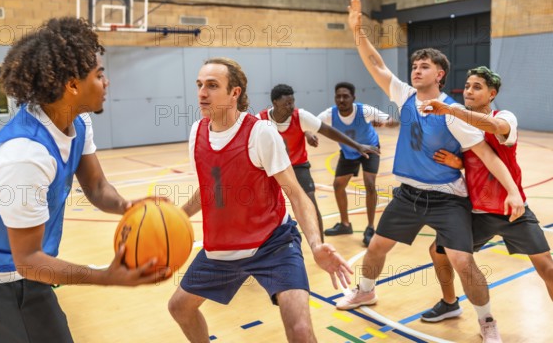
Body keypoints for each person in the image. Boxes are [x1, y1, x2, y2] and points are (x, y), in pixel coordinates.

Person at [0, 17, 169, 343]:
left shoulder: (77, 122)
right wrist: (105, 277)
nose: (106, 82)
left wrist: (128, 206)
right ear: (72, 85)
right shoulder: (24, 156)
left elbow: (96, 188)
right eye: (99, 75)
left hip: (29, 267)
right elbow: (27, 261)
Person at [335, 0, 526, 343]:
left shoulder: (454, 112)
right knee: (377, 247)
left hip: (446, 199)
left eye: (424, 66)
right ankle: (365, 291)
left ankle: (486, 322)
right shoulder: (404, 95)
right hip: (407, 194)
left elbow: (486, 154)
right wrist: (357, 30)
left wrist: (512, 190)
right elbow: (375, 63)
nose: (416, 70)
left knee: (462, 261)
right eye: (414, 66)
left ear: (439, 74)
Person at [168, 58, 353, 343]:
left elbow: (295, 192)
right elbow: (211, 189)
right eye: (200, 85)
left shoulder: (260, 133)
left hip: (273, 244)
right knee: (179, 307)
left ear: (235, 93)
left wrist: (316, 245)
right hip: (223, 248)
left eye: (212, 85)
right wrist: (177, 217)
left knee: (301, 330)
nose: (202, 93)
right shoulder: (197, 132)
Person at [418, 66, 553, 323]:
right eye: (467, 86)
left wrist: (450, 109)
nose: (469, 91)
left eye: (477, 87)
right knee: (438, 250)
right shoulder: (459, 123)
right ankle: (449, 304)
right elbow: (472, 159)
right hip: (478, 212)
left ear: (491, 94)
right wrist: (458, 164)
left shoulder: (505, 117)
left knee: (548, 268)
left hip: (512, 209)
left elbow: (492, 126)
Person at [258, 84, 380, 243]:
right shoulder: (261, 120)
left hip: (298, 165)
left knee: (311, 205)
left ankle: (320, 245)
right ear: (275, 103)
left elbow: (328, 131)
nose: (291, 106)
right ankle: (266, 243)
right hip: (274, 167)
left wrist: (357, 146)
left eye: (292, 102)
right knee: (264, 205)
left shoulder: (300, 116)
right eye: (286, 103)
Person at [314, 81, 398, 246]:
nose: (341, 100)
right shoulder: (330, 114)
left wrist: (385, 123)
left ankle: (370, 227)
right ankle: (345, 224)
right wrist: (310, 134)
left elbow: (394, 121)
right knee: (338, 185)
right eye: (338, 96)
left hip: (369, 149)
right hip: (348, 152)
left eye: (345, 96)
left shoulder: (364, 110)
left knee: (370, 184)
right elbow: (311, 123)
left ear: (353, 98)